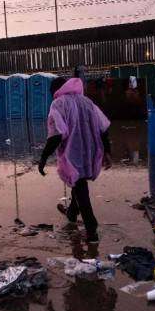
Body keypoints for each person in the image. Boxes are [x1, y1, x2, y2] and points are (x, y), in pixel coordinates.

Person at [38, 77, 112, 244]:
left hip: (73, 153)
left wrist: (43, 158)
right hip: (90, 150)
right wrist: (107, 151)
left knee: (80, 186)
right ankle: (72, 212)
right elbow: (103, 128)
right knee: (77, 180)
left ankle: (91, 230)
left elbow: (56, 134)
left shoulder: (58, 105)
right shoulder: (87, 101)